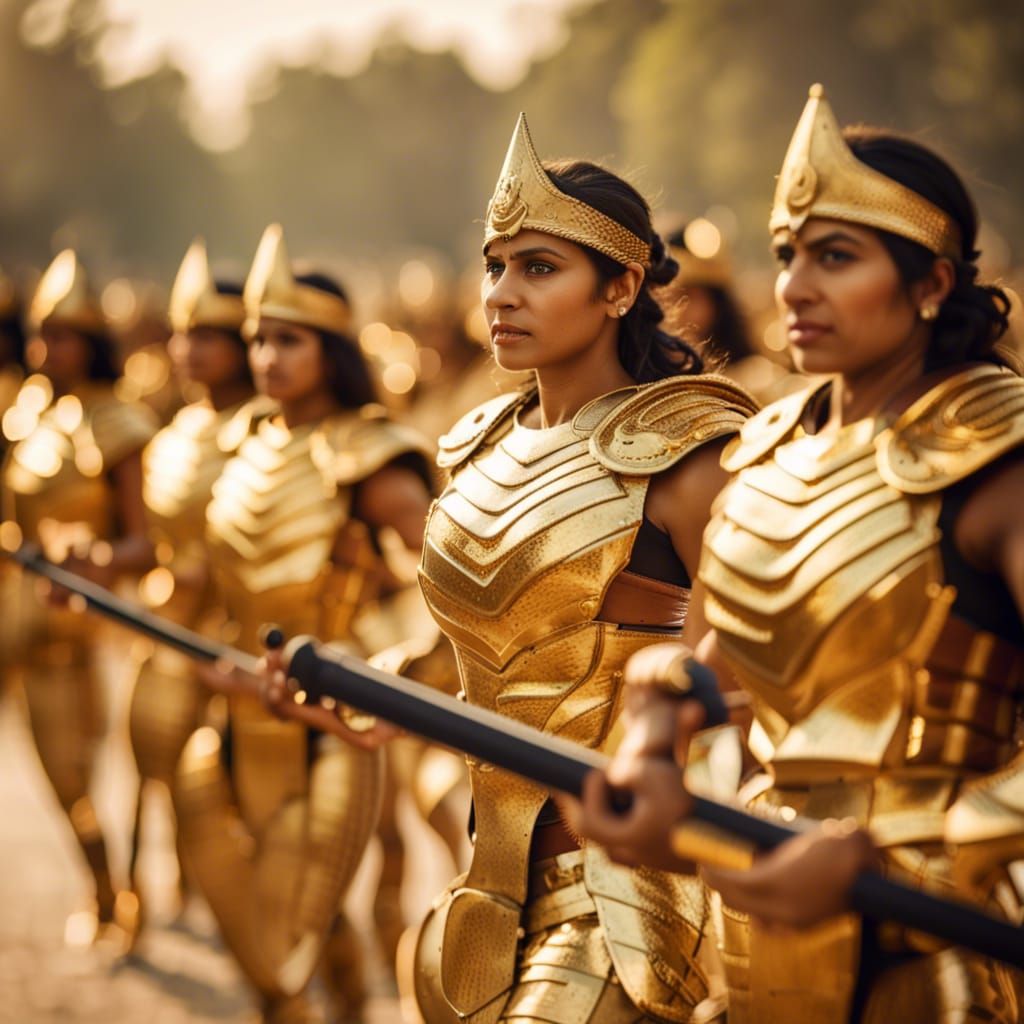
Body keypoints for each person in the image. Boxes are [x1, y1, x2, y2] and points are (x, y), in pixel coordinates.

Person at [267, 114, 759, 1024]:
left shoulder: (688, 450)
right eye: (495, 266)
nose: (501, 293)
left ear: (621, 287)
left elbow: (748, 664)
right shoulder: (479, 445)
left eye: (539, 268)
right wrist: (373, 686)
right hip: (487, 881)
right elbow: (492, 656)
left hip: (624, 893)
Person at [570, 85, 1024, 1022]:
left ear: (931, 283)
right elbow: (712, 660)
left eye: (836, 257)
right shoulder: (771, 450)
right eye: (788, 256)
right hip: (760, 926)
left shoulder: (998, 460)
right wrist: (655, 741)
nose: (795, 288)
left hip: (936, 950)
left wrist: (904, 855)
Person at [174, 224, 435, 1024]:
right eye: (258, 339)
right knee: (252, 919)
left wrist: (396, 663)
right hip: (237, 712)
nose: (267, 358)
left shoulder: (368, 455)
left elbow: (463, 588)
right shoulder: (240, 443)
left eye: (289, 340)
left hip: (330, 717)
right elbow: (212, 579)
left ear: (332, 350)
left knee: (290, 927)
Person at [1, 250, 157, 947]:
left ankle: (111, 883)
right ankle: (103, 880)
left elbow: (143, 542)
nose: (46, 349)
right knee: (50, 770)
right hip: (18, 609)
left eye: (62, 335)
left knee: (75, 770)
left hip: (75, 625)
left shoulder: (118, 425)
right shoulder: (29, 412)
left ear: (91, 343)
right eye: (42, 334)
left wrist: (95, 560)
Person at [127, 240, 255, 933]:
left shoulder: (263, 433)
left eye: (208, 335)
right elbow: (151, 537)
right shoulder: (174, 431)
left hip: (237, 640)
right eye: (182, 334)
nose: (189, 349)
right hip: (168, 625)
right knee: (153, 765)